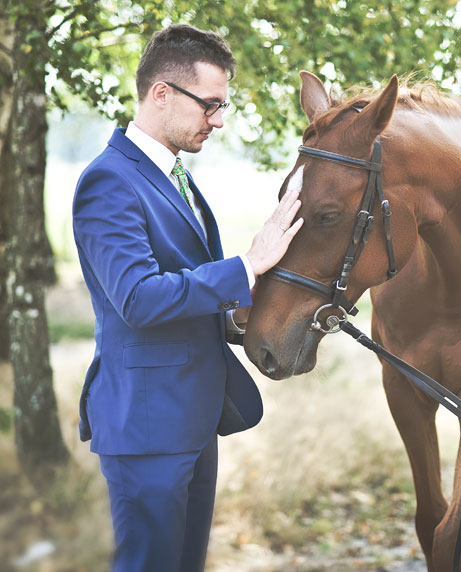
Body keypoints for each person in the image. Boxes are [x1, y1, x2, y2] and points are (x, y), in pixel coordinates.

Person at [72, 24, 303, 572]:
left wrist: (263, 304)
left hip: (192, 418)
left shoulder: (175, 175)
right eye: (211, 106)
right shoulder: (108, 181)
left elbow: (188, 288)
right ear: (161, 94)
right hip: (146, 425)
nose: (219, 121)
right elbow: (138, 299)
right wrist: (246, 265)